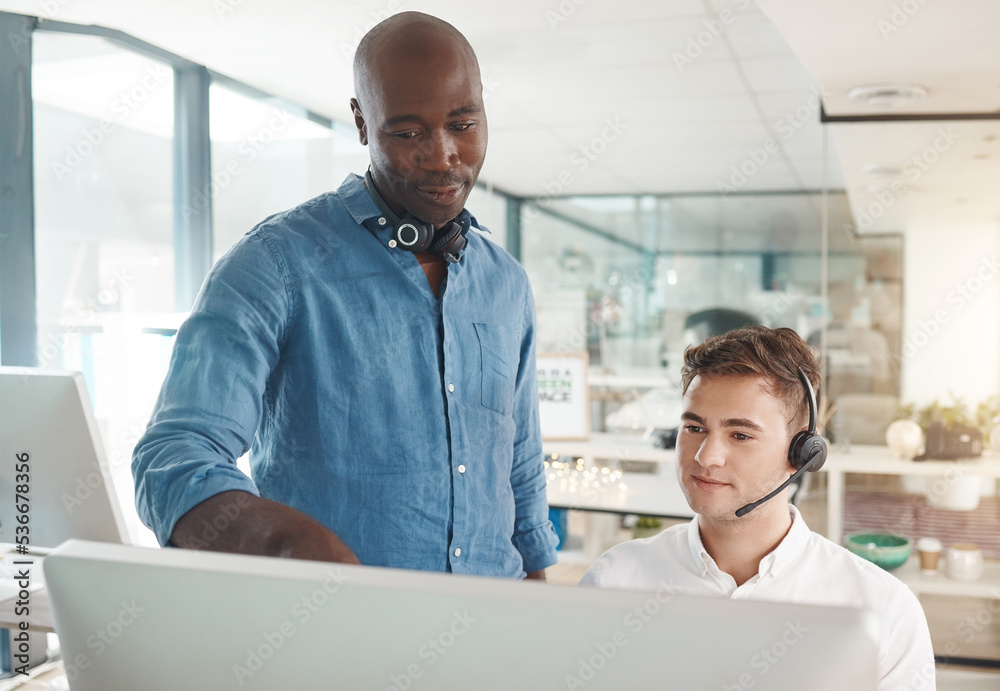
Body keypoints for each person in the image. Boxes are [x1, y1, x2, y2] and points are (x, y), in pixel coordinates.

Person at [131, 11, 558, 580]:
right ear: (361, 122)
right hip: (332, 622)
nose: (442, 155)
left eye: (463, 124)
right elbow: (173, 458)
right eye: (407, 133)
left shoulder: (506, 282)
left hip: (493, 618)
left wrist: (538, 591)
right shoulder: (273, 264)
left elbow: (519, 464)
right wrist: (283, 542)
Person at [580, 326, 934, 689]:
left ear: (802, 454)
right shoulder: (613, 580)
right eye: (695, 428)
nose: (706, 457)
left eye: (740, 435)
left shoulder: (883, 610)